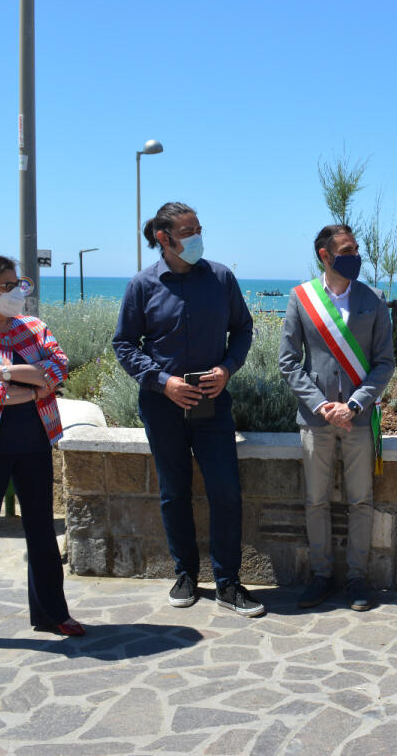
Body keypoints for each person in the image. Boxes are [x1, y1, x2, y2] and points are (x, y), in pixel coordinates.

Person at [113, 202, 264, 617]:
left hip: (213, 403)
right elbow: (124, 344)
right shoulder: (142, 285)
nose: (198, 235)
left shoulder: (220, 278)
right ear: (164, 238)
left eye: (199, 227)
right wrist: (164, 383)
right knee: (173, 492)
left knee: (226, 492)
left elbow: (244, 329)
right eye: (188, 229)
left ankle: (228, 582)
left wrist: (227, 369)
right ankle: (185, 574)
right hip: (163, 406)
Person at [0, 254, 85, 655]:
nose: (20, 292)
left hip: (34, 440)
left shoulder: (34, 327)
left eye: (20, 283)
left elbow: (57, 369)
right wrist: (30, 382)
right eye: (10, 285)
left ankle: (51, 612)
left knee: (41, 529)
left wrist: (4, 372)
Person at [279, 224, 395, 612]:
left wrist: (356, 405)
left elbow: (384, 363)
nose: (355, 256)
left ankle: (358, 578)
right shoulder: (301, 299)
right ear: (324, 255)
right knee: (316, 501)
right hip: (317, 421)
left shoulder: (374, 299)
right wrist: (321, 405)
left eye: (357, 249)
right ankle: (322, 576)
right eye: (346, 250)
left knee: (361, 500)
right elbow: (288, 362)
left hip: (359, 420)